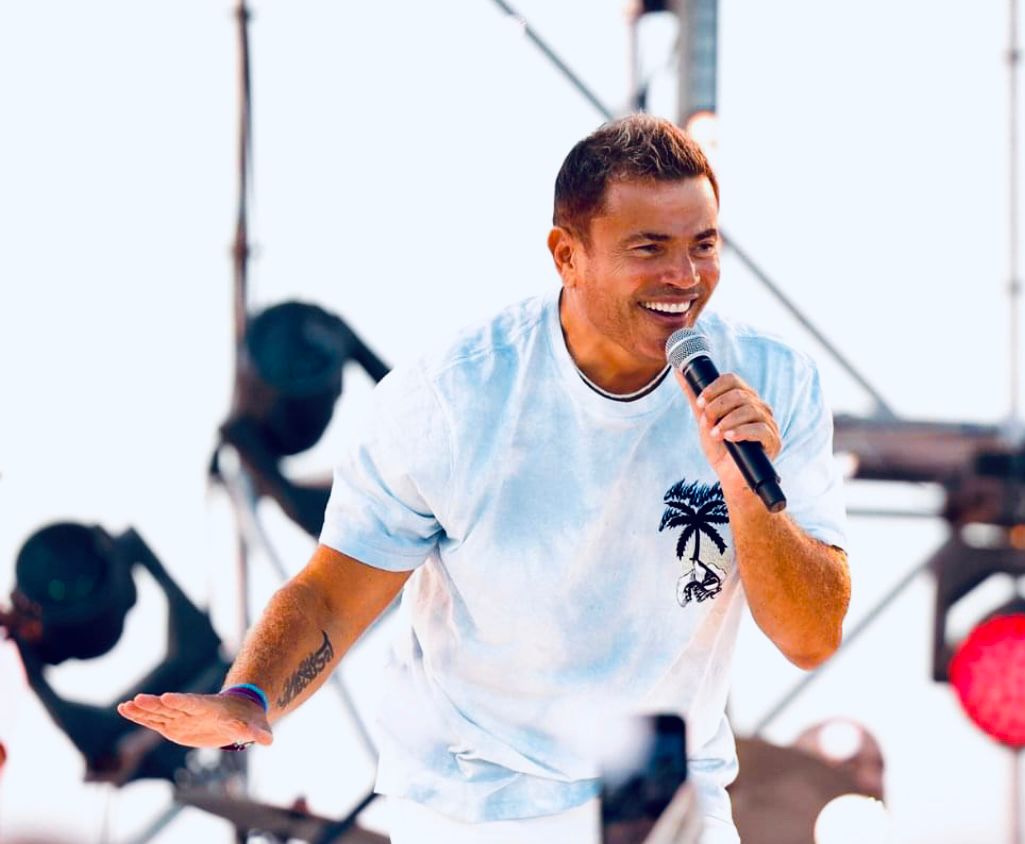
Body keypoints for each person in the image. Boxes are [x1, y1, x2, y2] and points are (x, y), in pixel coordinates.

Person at [118, 114, 851, 843]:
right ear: (567, 255)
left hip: (659, 794)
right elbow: (332, 595)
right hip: (476, 803)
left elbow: (811, 638)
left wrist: (744, 491)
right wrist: (249, 699)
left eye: (703, 245)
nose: (684, 277)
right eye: (648, 247)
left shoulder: (771, 381)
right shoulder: (451, 397)